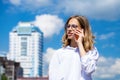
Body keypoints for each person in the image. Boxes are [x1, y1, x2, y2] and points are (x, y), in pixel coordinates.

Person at [49, 15, 99, 80]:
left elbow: (89, 70)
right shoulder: (59, 53)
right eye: (68, 26)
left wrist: (80, 44)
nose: (69, 29)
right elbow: (53, 77)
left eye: (74, 26)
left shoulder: (91, 51)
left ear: (83, 30)